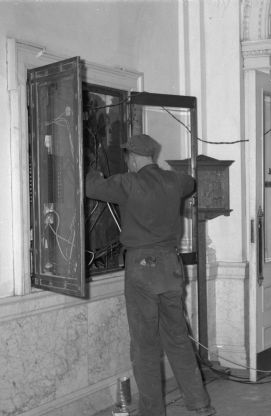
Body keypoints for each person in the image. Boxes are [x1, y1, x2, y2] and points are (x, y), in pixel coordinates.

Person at [85, 133, 215, 416]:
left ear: (132, 158)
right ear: (151, 156)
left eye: (128, 157)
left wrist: (93, 167)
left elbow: (91, 187)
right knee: (178, 339)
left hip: (141, 269)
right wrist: (164, 174)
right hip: (171, 266)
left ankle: (153, 412)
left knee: (145, 346)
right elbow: (190, 182)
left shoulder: (127, 182)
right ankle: (199, 403)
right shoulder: (174, 182)